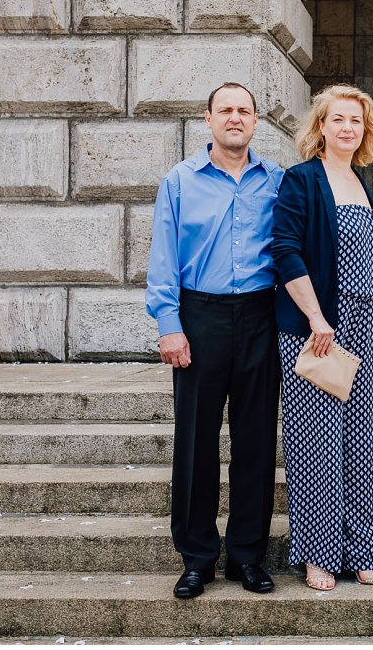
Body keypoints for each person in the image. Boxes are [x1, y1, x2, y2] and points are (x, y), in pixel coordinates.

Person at [145, 82, 284, 599]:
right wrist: (169, 325)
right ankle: (197, 557)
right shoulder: (179, 181)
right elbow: (163, 259)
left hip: (259, 316)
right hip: (197, 317)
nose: (234, 117)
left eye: (244, 111)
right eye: (225, 109)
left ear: (255, 122)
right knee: (196, 444)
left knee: (255, 442)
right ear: (208, 119)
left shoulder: (275, 180)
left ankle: (247, 556)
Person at [272, 84, 373, 591]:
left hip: (360, 324)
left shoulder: (360, 181)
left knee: (355, 440)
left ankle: (362, 549)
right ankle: (318, 553)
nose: (348, 128)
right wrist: (318, 318)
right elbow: (286, 250)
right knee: (315, 443)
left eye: (356, 121)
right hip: (317, 325)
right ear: (320, 127)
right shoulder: (302, 179)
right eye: (338, 119)